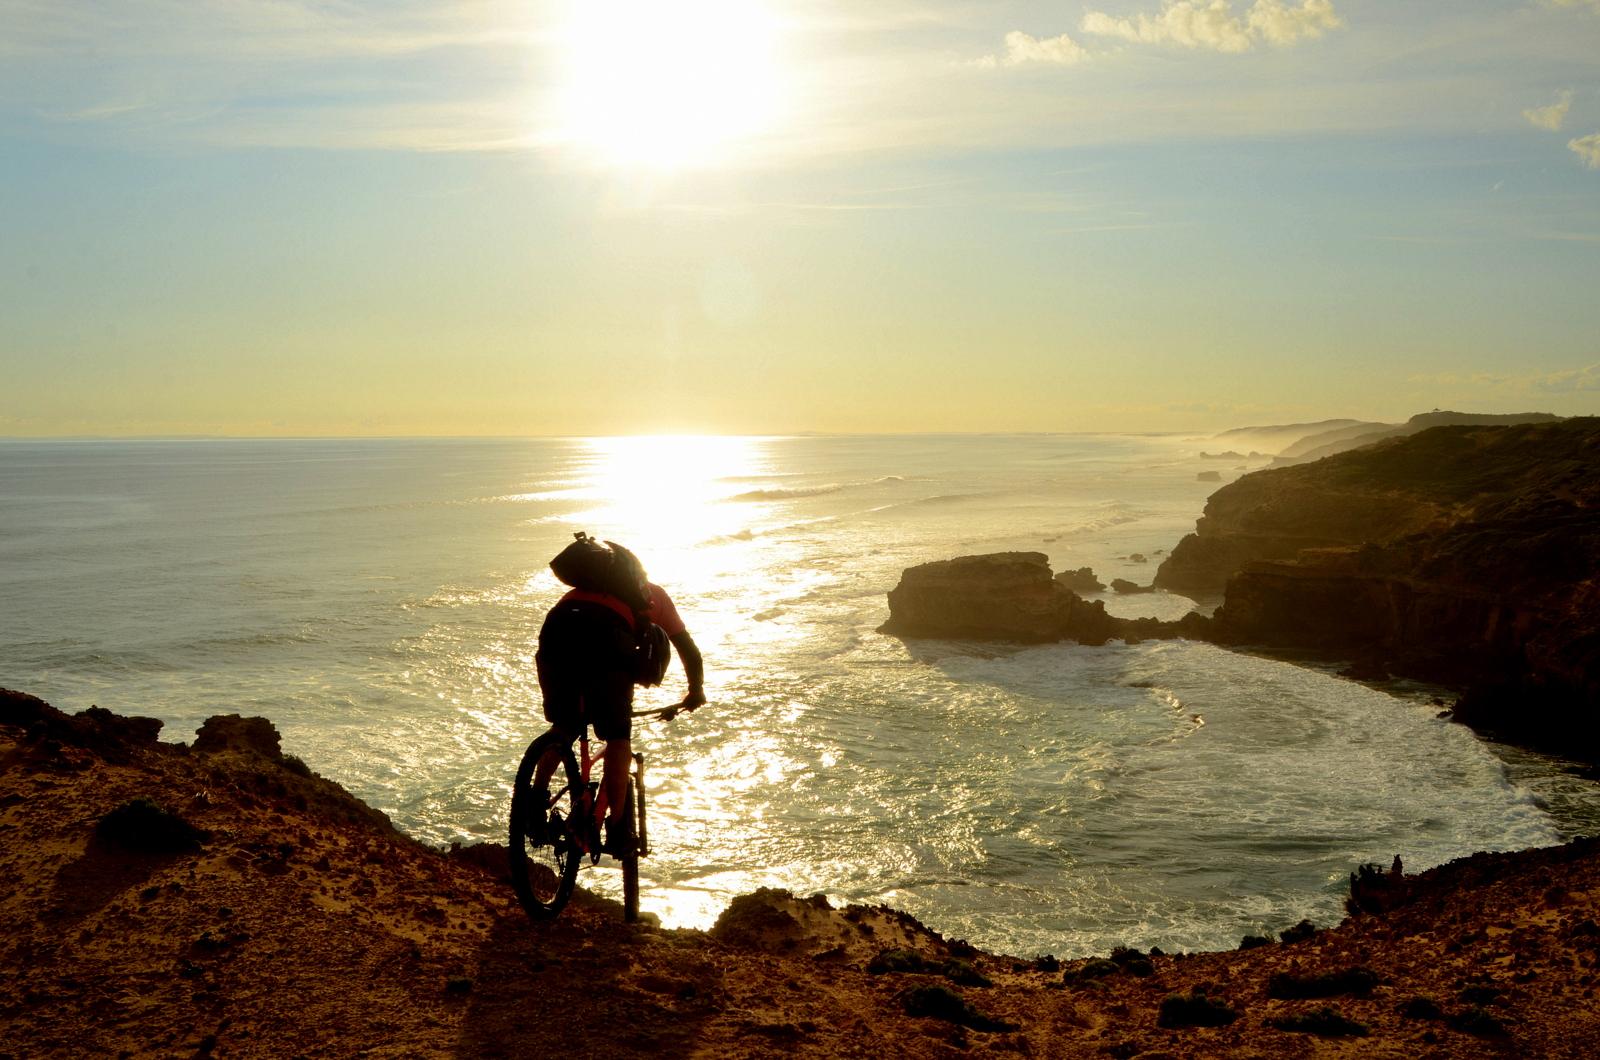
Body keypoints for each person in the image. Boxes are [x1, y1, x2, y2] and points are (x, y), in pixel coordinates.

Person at [532, 540, 704, 855]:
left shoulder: (580, 591)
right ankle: (618, 827)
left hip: (556, 635)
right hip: (606, 644)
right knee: (617, 737)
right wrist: (695, 691)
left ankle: (534, 801)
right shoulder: (653, 595)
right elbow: (688, 650)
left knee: (565, 725)